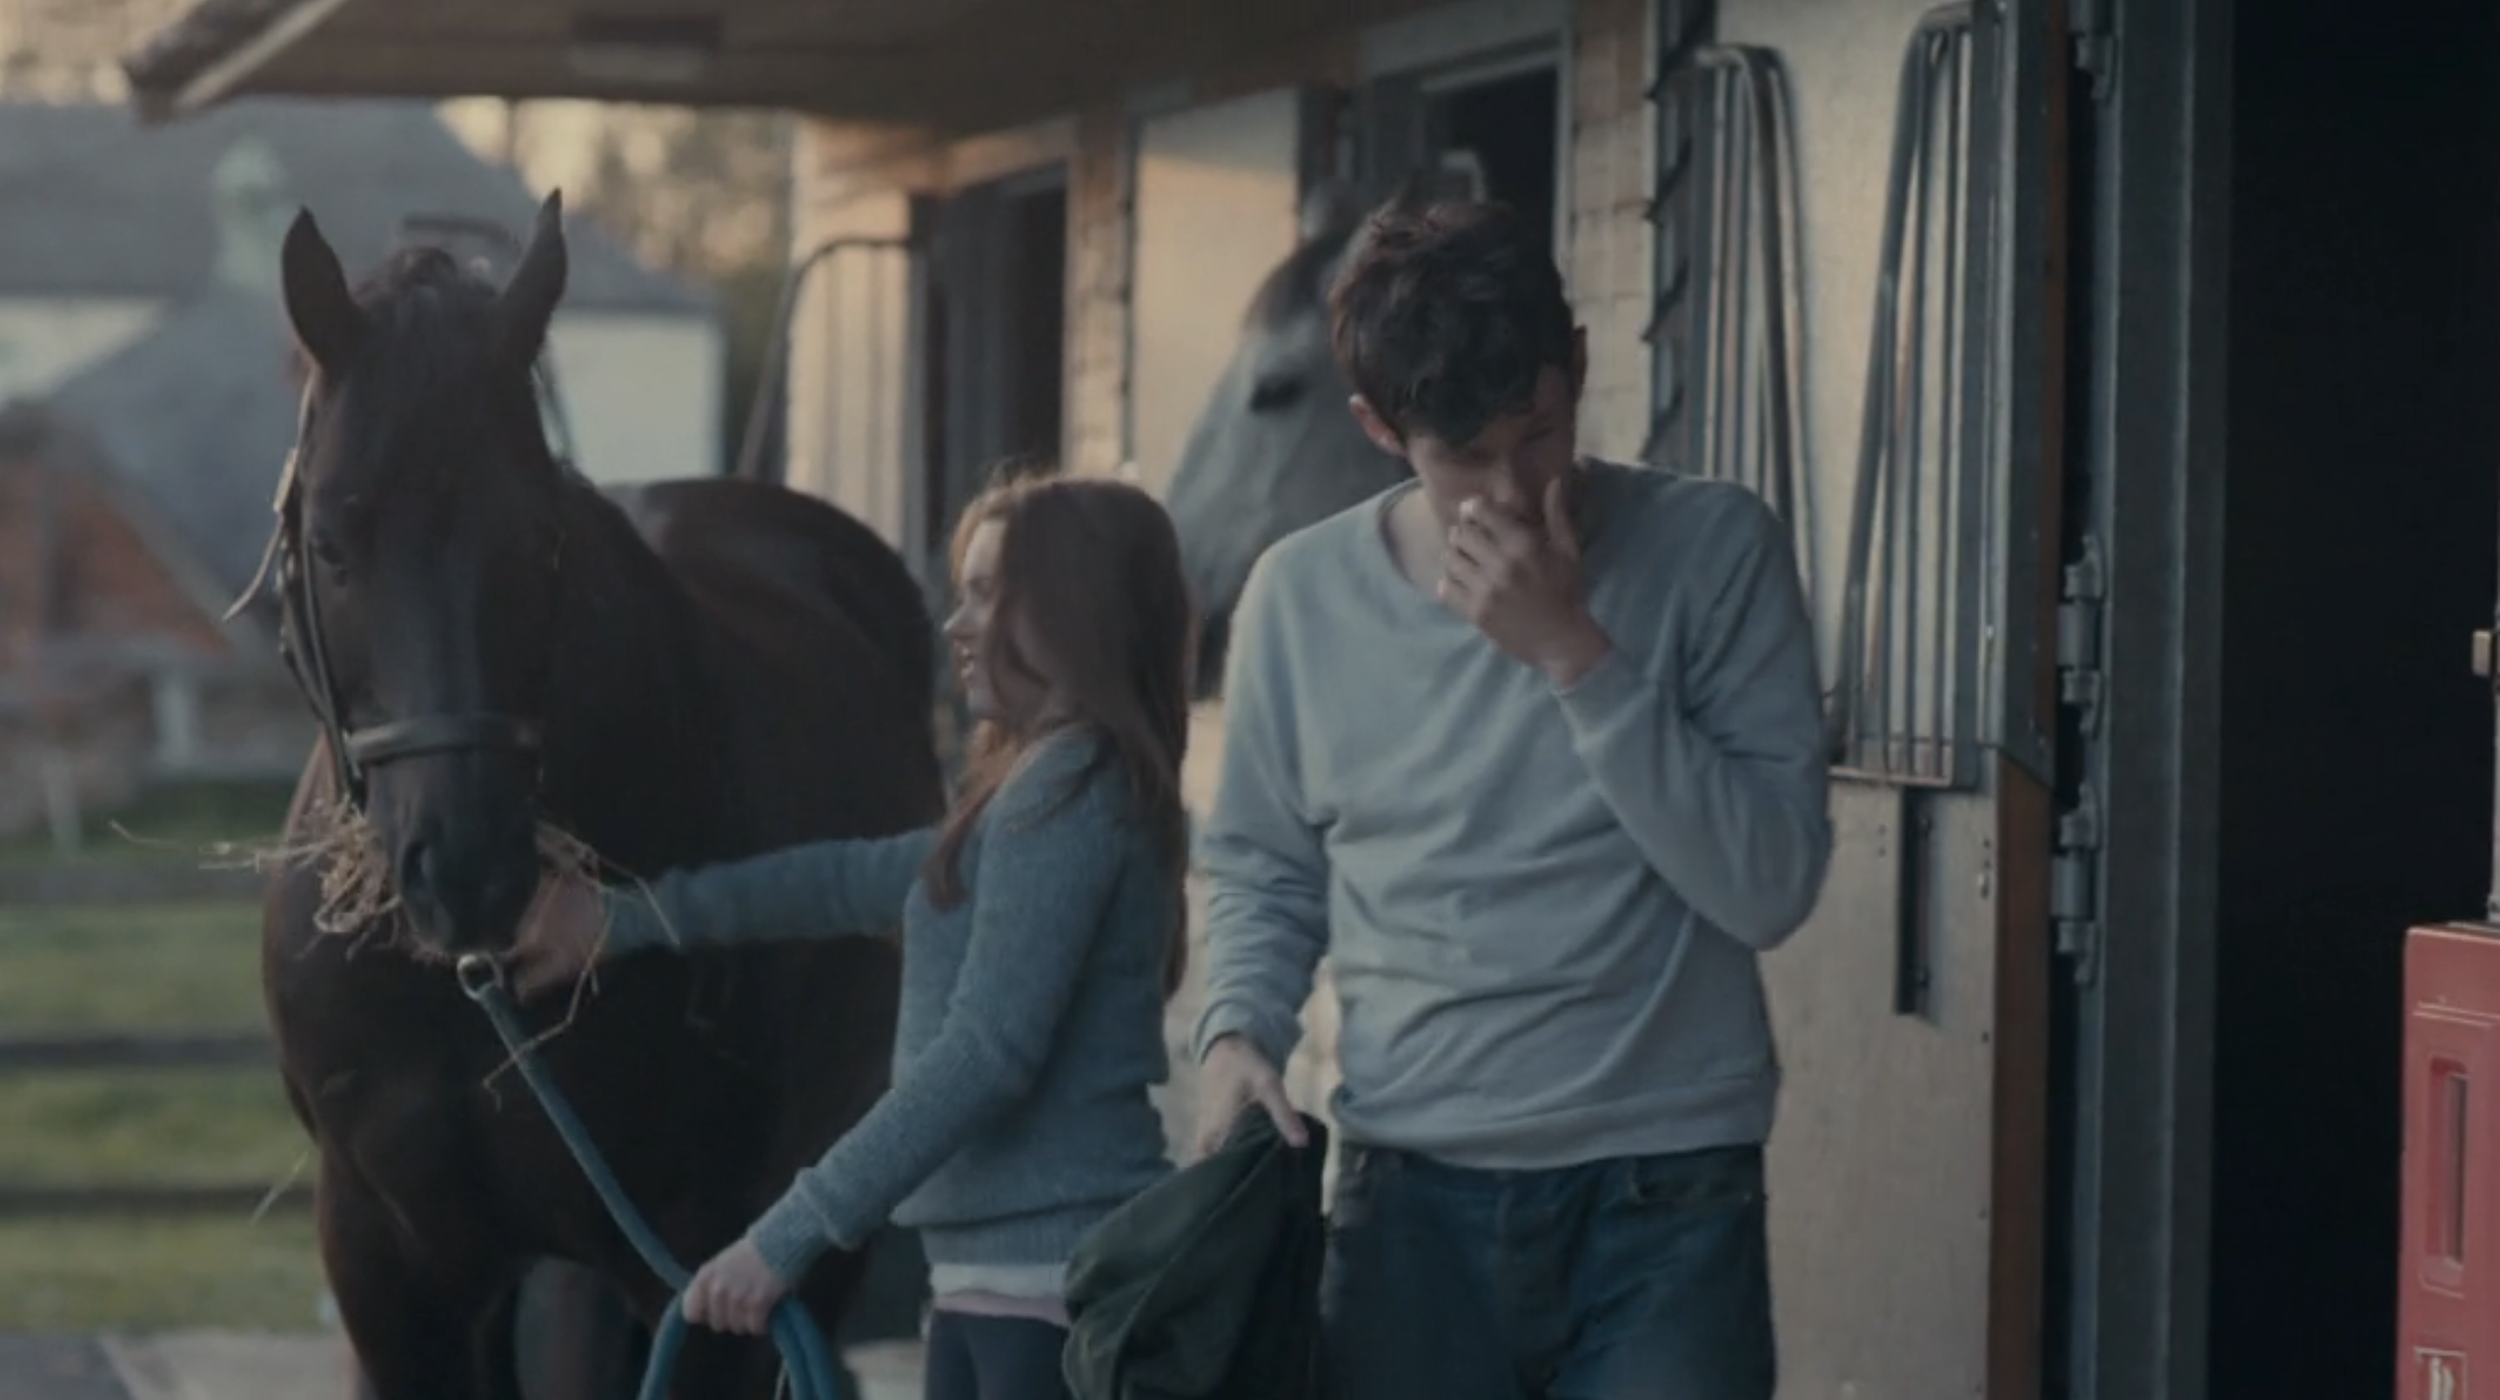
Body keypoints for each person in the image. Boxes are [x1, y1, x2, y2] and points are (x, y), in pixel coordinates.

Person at [1189, 198, 1833, 1400]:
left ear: (1577, 366)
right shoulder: (1297, 597)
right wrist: (1236, 1035)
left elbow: (1769, 886)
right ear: (1379, 427)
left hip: (1666, 1189)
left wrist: (1574, 655)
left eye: (1537, 433)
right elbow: (1265, 872)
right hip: (1409, 1197)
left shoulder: (1716, 547)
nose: (1514, 489)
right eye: (1464, 458)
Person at [509, 474, 1192, 1400]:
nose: (957, 624)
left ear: (1070, 608)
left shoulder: (1068, 794)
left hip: (1049, 1296)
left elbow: (986, 1054)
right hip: (996, 1291)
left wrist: (781, 1239)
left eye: (987, 594)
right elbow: (838, 882)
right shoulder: (1033, 797)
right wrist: (619, 920)